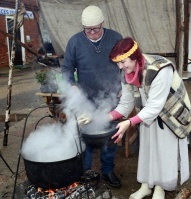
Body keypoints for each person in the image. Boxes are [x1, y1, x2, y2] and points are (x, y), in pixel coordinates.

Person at [108, 37, 191, 199]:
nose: (120, 67)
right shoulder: (126, 72)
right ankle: (146, 186)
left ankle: (160, 188)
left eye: (123, 62)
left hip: (170, 114)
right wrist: (103, 117)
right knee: (147, 148)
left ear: (134, 56)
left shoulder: (160, 69)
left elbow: (155, 107)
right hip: (146, 113)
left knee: (163, 150)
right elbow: (126, 104)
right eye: (117, 63)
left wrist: (129, 122)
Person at [61, 5, 123, 188]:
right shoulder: (75, 42)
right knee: (85, 135)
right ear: (83, 27)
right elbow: (65, 69)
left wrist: (123, 87)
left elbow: (125, 63)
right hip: (85, 98)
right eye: (88, 30)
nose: (93, 33)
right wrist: (71, 85)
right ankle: (83, 172)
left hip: (111, 96)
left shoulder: (115, 38)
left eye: (96, 28)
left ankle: (108, 170)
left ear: (103, 23)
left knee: (109, 135)